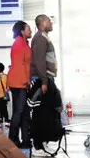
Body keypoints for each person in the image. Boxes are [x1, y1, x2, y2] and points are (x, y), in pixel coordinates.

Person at [30, 14, 59, 156]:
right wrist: (44, 81)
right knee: (40, 113)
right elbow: (39, 61)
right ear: (42, 23)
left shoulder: (44, 37)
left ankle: (43, 143)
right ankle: (37, 146)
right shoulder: (40, 38)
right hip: (44, 79)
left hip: (47, 78)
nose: (51, 23)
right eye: (49, 21)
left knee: (46, 113)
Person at [7, 21, 32, 148]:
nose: (30, 30)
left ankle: (26, 139)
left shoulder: (23, 42)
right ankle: (12, 139)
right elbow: (18, 64)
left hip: (21, 81)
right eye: (28, 29)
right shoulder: (19, 43)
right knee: (19, 111)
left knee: (24, 111)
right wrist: (26, 80)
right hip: (19, 82)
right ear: (22, 30)